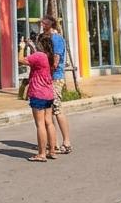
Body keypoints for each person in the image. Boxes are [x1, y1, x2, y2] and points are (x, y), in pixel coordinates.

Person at [24, 32, 59, 162]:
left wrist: (22, 47)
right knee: (49, 122)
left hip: (38, 93)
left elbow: (21, 60)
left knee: (40, 125)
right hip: (48, 93)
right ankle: (52, 150)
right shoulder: (49, 57)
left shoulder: (38, 56)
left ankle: (41, 154)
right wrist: (32, 47)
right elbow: (37, 59)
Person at [41, 15, 72, 154]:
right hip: (49, 78)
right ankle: (54, 143)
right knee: (50, 110)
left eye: (44, 22)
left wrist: (49, 68)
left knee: (57, 108)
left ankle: (66, 142)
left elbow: (56, 59)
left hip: (56, 77)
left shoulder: (57, 38)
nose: (42, 24)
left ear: (51, 24)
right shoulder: (47, 38)